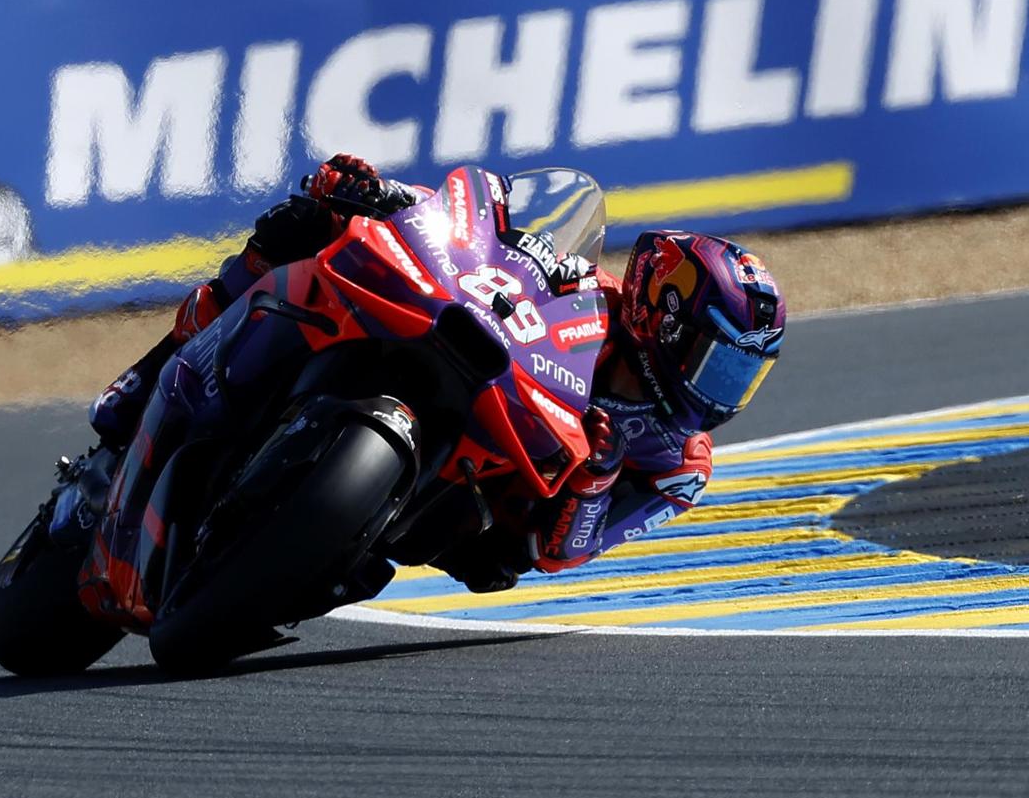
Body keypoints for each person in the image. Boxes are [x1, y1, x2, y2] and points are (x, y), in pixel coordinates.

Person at [72, 154, 785, 599]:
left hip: (485, 514)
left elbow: (566, 553)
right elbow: (484, 242)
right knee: (305, 232)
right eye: (718, 364)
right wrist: (376, 193)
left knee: (488, 556)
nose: (722, 395)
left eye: (742, 379)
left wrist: (596, 474)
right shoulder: (590, 295)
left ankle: (311, 554)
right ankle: (151, 377)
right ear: (664, 316)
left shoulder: (680, 463)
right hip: (476, 381)